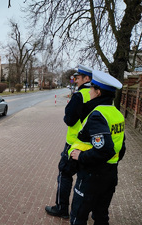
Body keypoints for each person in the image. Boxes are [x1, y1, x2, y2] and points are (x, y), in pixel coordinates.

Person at [68, 70, 126, 225]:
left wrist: (81, 156)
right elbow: (122, 147)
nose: (90, 91)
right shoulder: (116, 113)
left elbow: (104, 150)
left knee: (78, 215)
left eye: (92, 88)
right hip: (110, 174)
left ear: (98, 92)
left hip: (92, 175)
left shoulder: (97, 115)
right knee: (101, 216)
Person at [45, 65, 93, 218]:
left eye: (78, 78)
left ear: (87, 79)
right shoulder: (99, 95)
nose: (75, 80)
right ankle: (84, 212)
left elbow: (69, 120)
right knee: (84, 178)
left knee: (65, 174)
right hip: (92, 146)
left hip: (74, 144)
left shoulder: (80, 95)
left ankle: (62, 208)